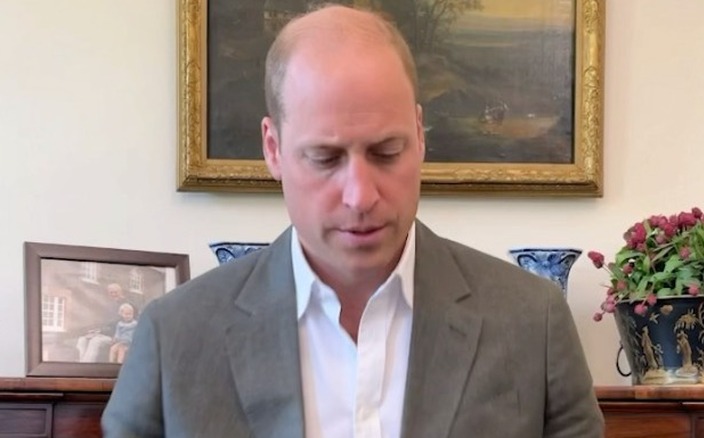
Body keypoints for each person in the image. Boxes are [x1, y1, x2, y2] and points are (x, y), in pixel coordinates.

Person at [102, 4, 603, 437]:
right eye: (324, 158)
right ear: (273, 149)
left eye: (387, 152)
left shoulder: (531, 322)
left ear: (420, 138)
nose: (361, 195)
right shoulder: (174, 336)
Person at [76, 283, 134, 362]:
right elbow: (102, 322)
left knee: (95, 341)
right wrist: (93, 331)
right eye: (111, 292)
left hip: (115, 336)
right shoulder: (108, 305)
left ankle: (87, 364)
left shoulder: (126, 306)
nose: (113, 294)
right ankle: (81, 363)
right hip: (103, 333)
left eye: (115, 292)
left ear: (121, 292)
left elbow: (117, 324)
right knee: (82, 340)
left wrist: (100, 332)